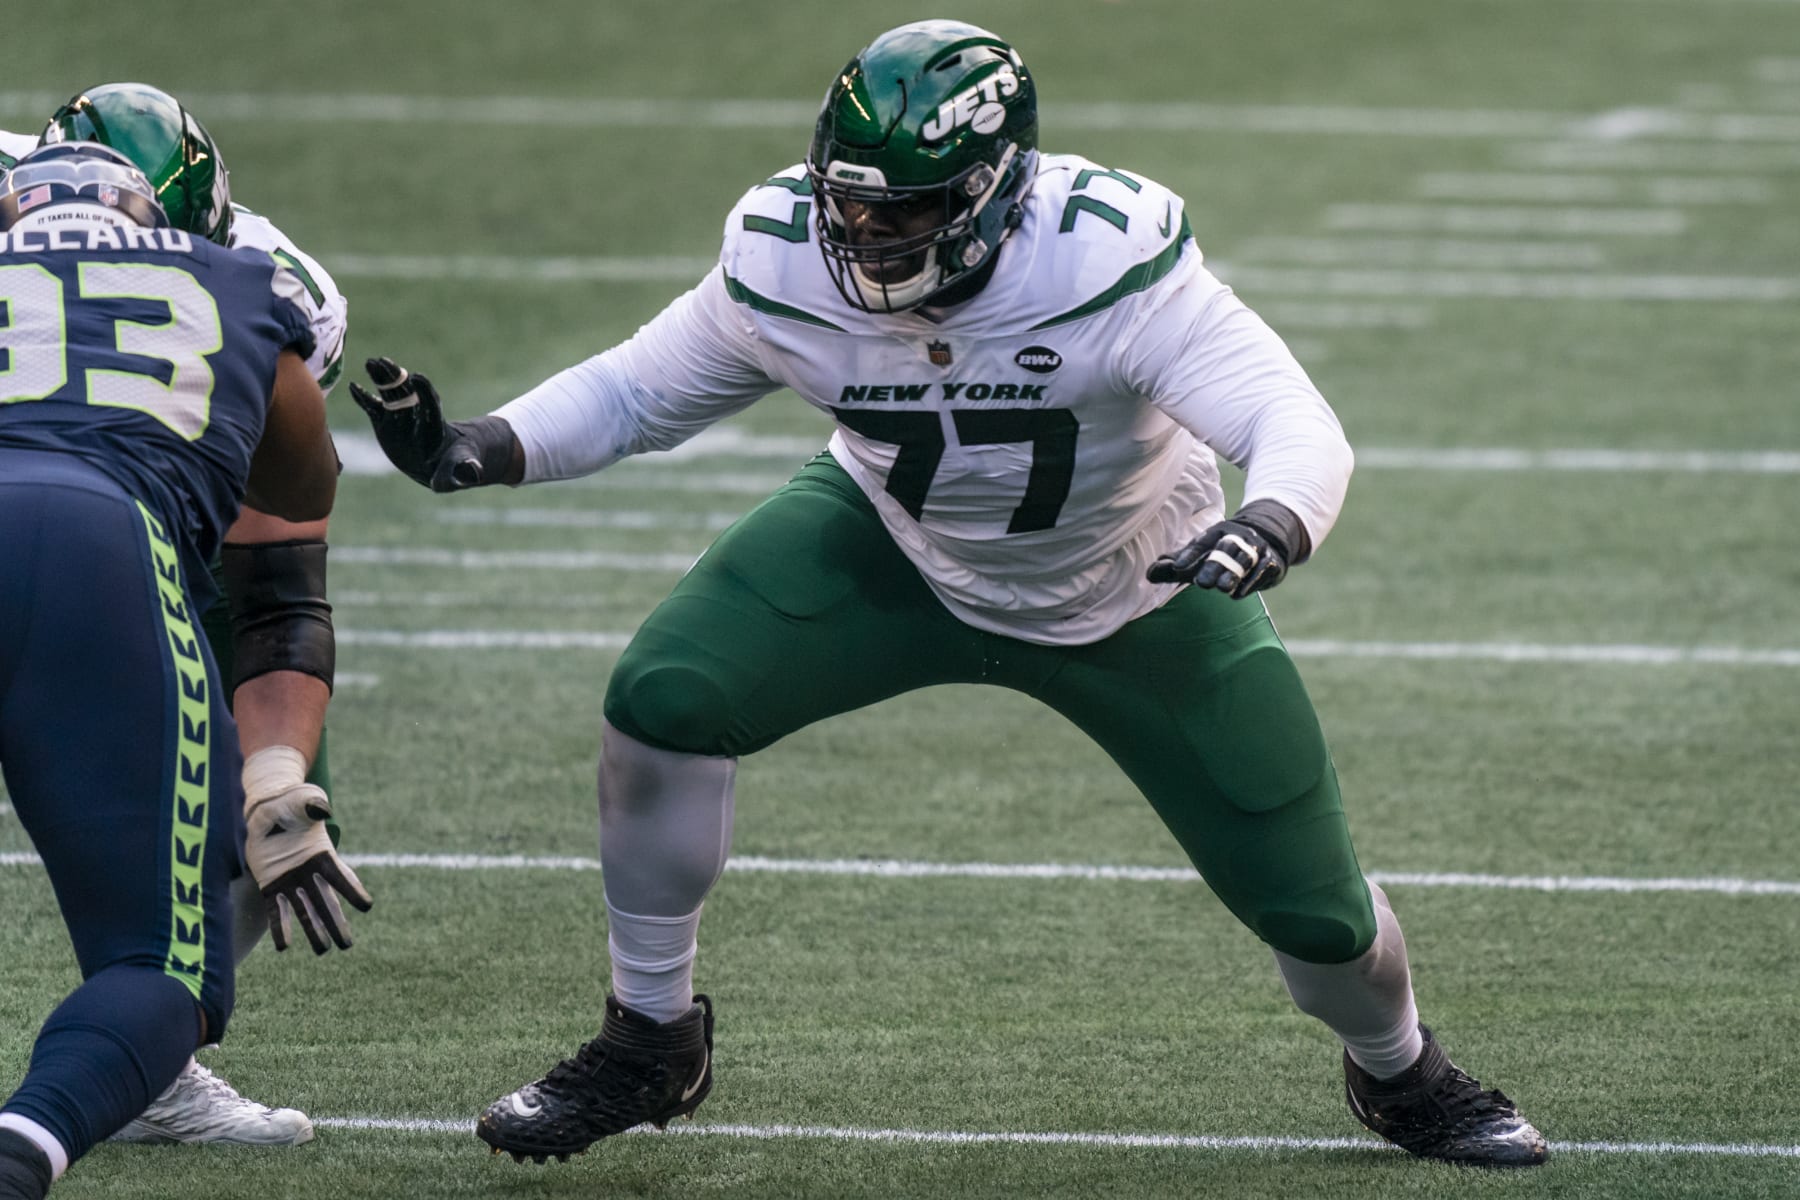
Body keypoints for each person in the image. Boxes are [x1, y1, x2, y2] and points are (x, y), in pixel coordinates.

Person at [354, 19, 1546, 1169]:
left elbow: (1288, 417)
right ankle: (650, 1038)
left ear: (999, 190)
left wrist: (1271, 520)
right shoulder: (781, 250)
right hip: (893, 545)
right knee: (665, 694)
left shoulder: (1107, 256)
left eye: (905, 206)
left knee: (1321, 918)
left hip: (1136, 584)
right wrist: (484, 443)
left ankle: (1399, 1071)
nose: (866, 230)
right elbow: (639, 390)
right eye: (850, 198)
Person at [0, 143, 371, 1199]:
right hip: (92, 544)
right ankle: (25, 1145)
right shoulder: (246, 286)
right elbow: (285, 589)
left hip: (84, 526)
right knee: (161, 970)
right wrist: (274, 777)